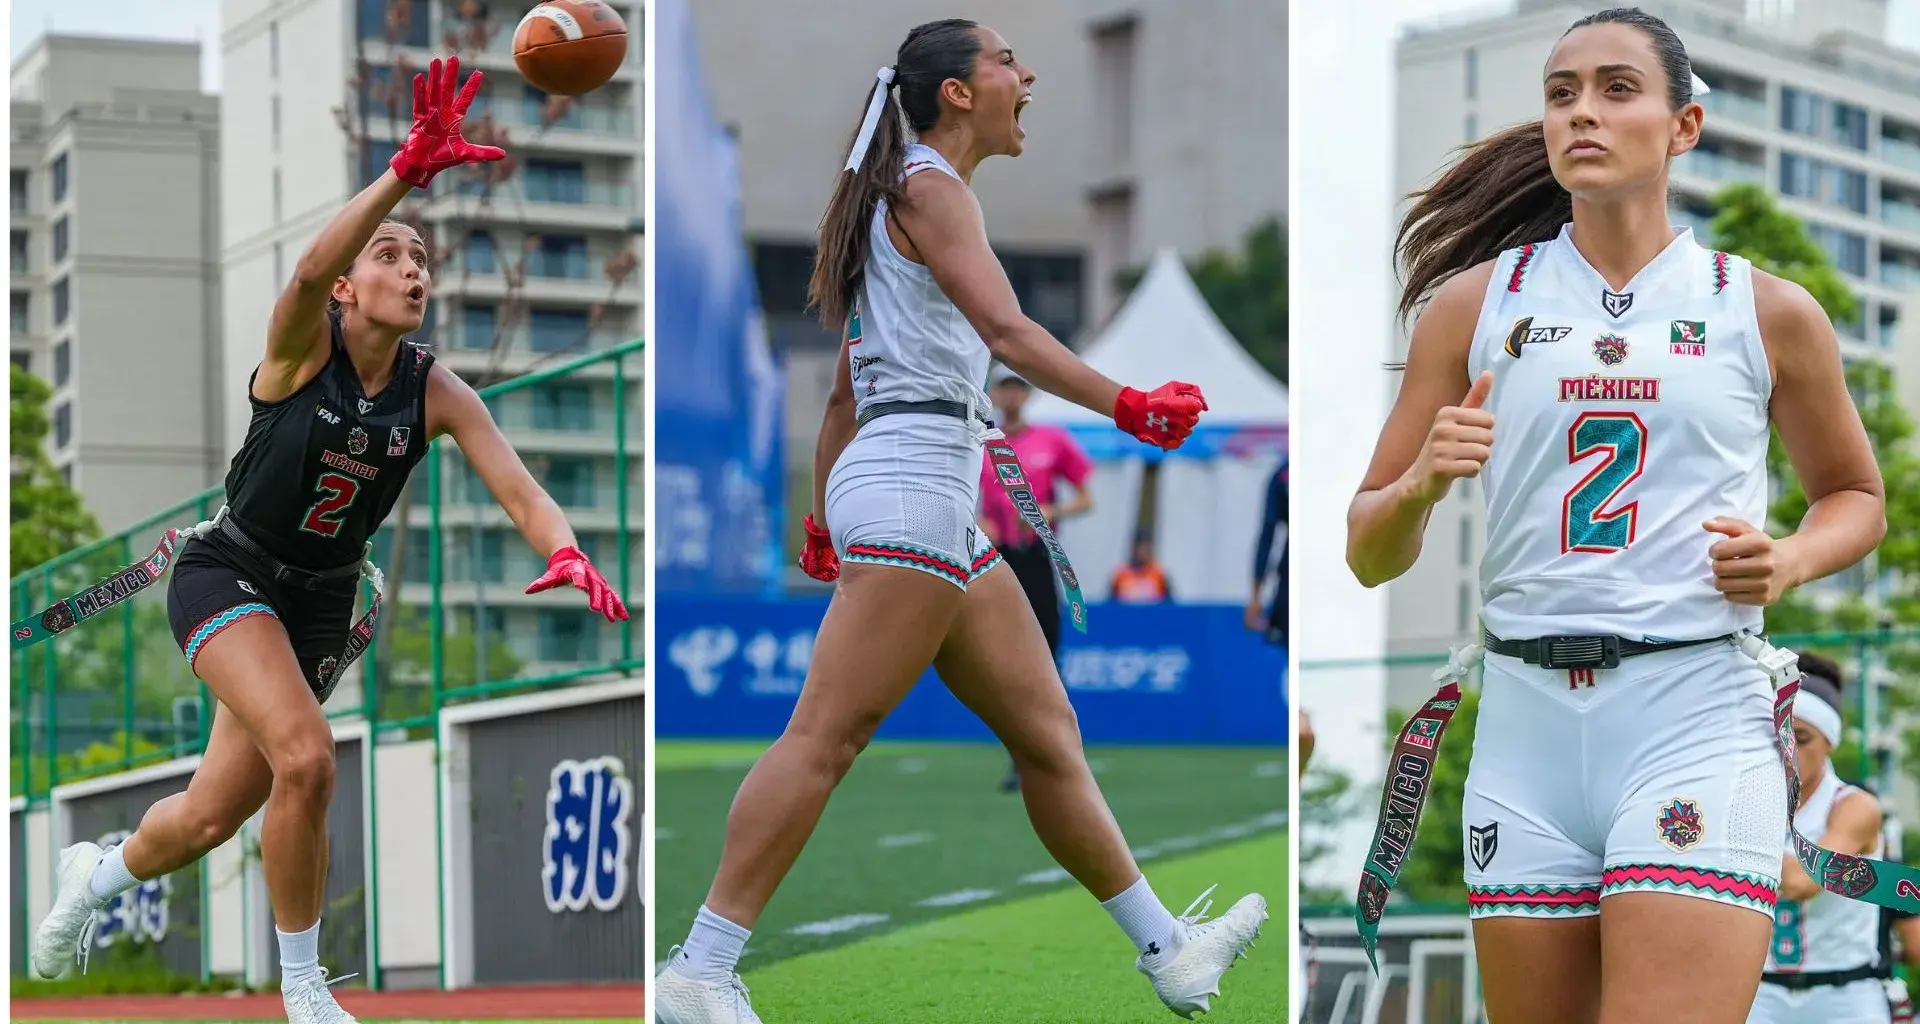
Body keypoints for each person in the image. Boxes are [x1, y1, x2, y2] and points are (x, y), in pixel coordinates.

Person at [653, 20, 1265, 1023]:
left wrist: (821, 510)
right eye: (1008, 60)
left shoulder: (903, 194)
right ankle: (698, 970)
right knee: (824, 737)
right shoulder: (933, 189)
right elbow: (1010, 333)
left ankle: (1167, 949)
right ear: (959, 93)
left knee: (1048, 733)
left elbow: (847, 388)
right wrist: (1130, 404)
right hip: (915, 482)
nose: (1030, 75)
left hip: (909, 479)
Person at [27, 58, 628, 1024]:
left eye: (422, 259)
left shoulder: (433, 389)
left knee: (210, 816)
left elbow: (519, 487)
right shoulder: (303, 345)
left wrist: (563, 547)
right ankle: (304, 989)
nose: (414, 270)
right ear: (348, 288)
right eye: (391, 255)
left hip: (314, 603)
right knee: (307, 758)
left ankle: (94, 876)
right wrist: (402, 171)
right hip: (227, 574)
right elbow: (308, 266)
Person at [1346, 9, 1884, 1024]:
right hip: (1522, 728)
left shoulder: (1763, 308)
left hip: (1693, 711)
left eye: (1614, 89)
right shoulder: (1472, 306)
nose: (1582, 112)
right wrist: (1420, 483)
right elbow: (1367, 551)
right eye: (1561, 94)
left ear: (1683, 127)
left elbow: (1856, 498)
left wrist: (1790, 560)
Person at [1747, 653, 1889, 1024]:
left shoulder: (1855, 807)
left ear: (1830, 742)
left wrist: (1724, 849)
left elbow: (1803, 881)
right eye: (1779, 735)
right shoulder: (1747, 799)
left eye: (1803, 739)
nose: (1789, 751)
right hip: (1760, 992)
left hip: (1845, 997)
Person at [976, 364, 1094, 792]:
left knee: (1046, 658)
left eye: (1017, 389)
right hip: (998, 559)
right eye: (1004, 389)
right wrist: (981, 521)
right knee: (1004, 661)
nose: (1011, 397)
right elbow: (970, 501)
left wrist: (1052, 510)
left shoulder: (1052, 440)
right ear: (994, 394)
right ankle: (1020, 756)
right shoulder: (983, 444)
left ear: (1026, 395)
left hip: (1040, 557)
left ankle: (1060, 753)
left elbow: (1086, 497)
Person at [1247, 459, 1287, 647]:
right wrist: (1256, 596)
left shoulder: (1283, 473)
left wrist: (1256, 597)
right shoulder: (1283, 475)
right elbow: (1267, 535)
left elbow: (1267, 536)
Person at [1110, 535, 1174, 603]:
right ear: (1134, 550)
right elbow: (1111, 602)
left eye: (1147, 549)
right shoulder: (1121, 575)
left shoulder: (1159, 575)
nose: (1144, 553)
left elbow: (1169, 603)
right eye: (1141, 548)